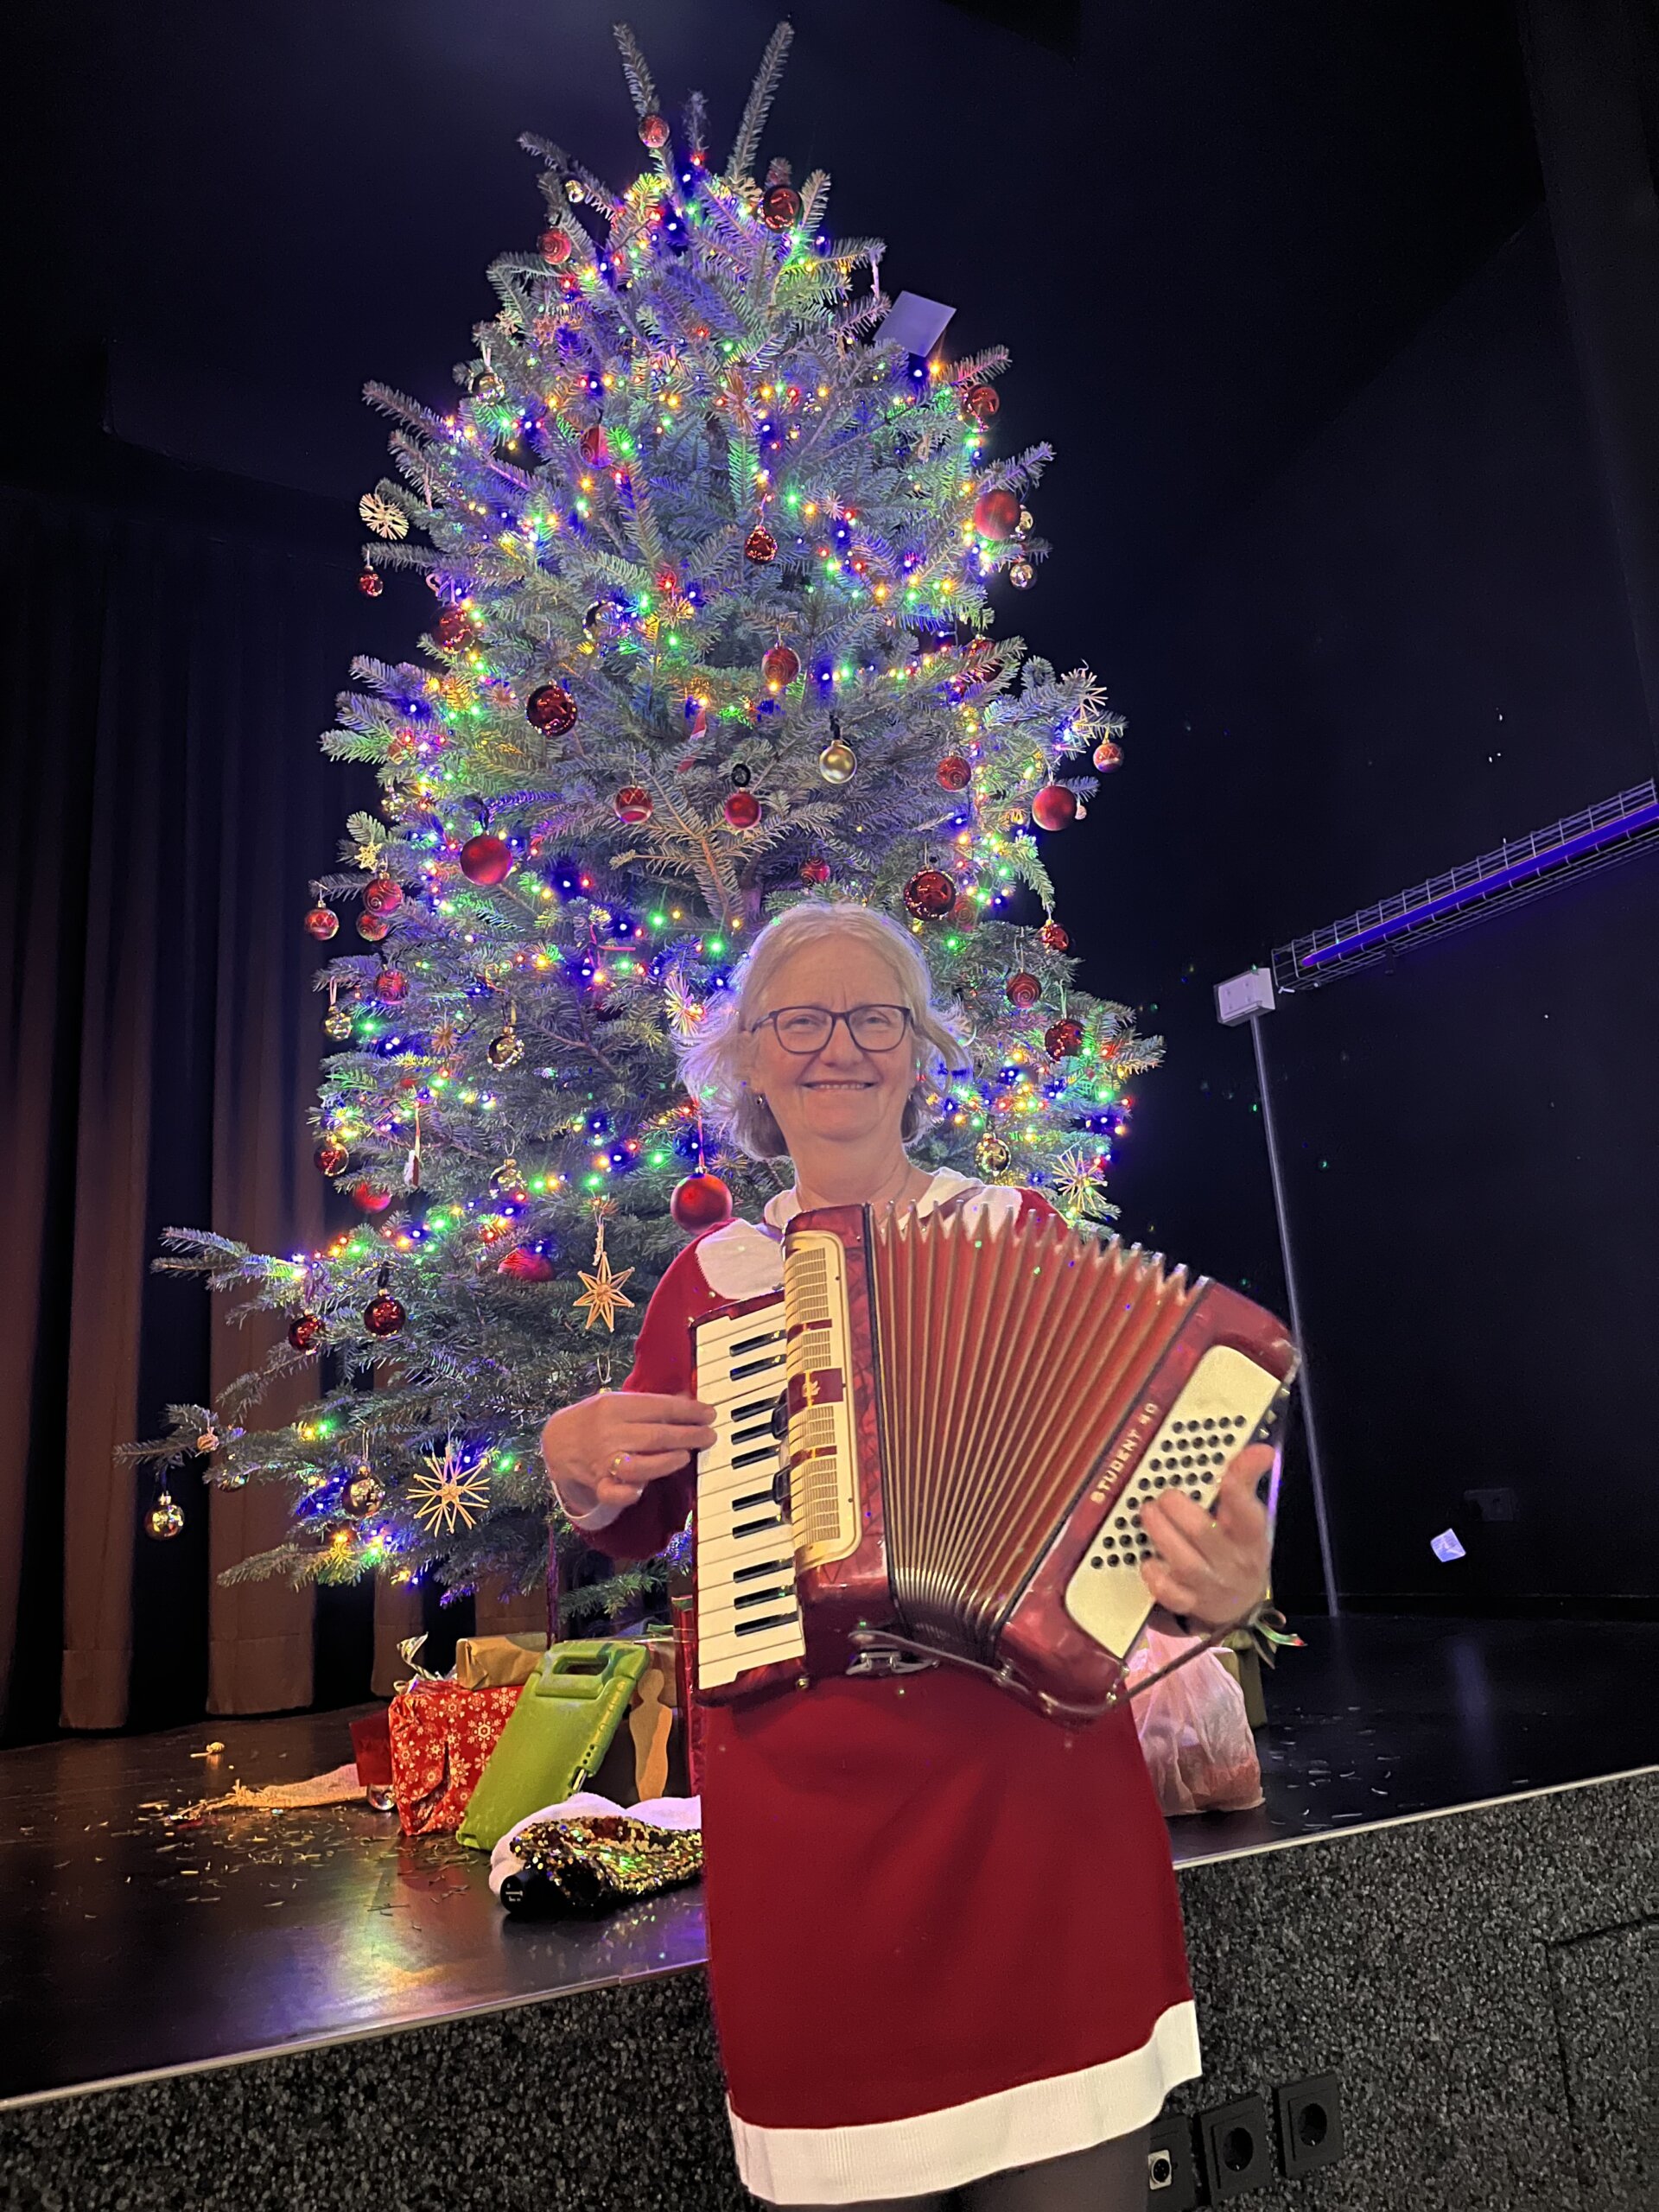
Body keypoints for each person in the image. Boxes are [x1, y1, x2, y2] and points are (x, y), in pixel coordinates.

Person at [541, 902, 1274, 2212]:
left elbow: (1143, 1515)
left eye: (875, 1015)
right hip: (811, 1846)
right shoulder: (712, 1284)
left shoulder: (1017, 1235)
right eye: (799, 1021)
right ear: (751, 1062)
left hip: (1035, 1822)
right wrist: (573, 1450)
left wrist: (1215, 1589)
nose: (840, 1048)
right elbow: (631, 1505)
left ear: (919, 1050)